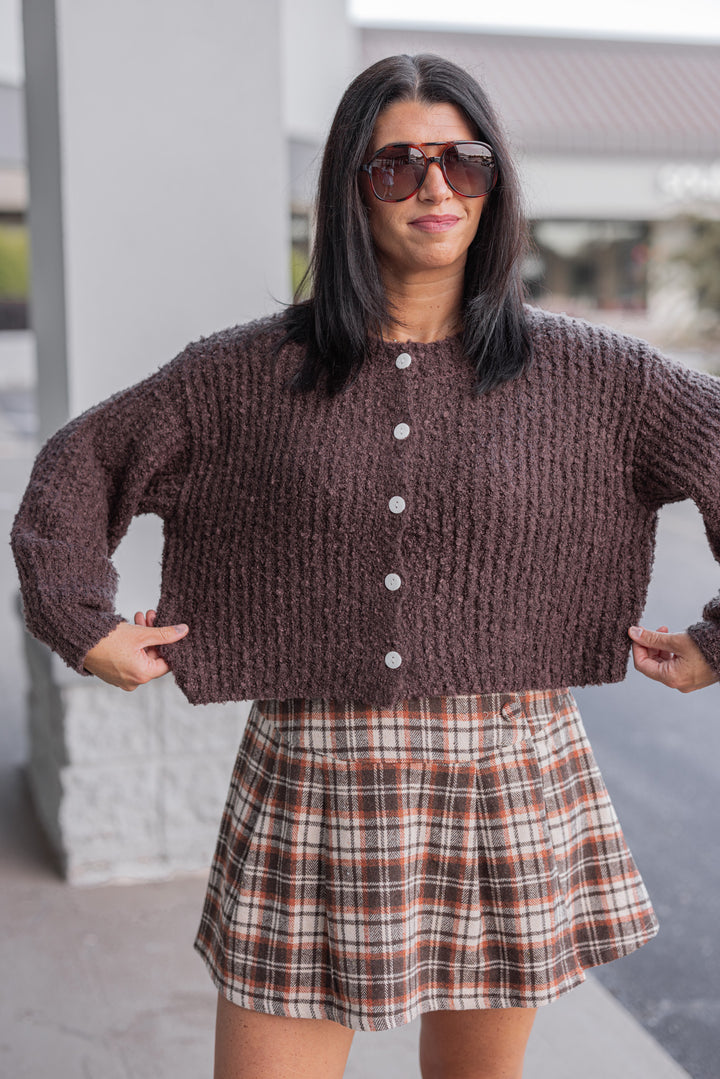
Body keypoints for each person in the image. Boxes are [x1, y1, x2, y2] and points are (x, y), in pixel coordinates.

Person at [11, 52, 720, 1079]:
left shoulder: (599, 376)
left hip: (506, 779)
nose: (436, 188)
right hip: (312, 773)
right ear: (349, 187)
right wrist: (83, 623)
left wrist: (714, 644)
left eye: (463, 163)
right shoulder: (244, 375)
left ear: (495, 183)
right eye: (398, 166)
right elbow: (80, 466)